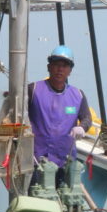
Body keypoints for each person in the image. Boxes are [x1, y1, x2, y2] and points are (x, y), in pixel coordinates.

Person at [28, 45, 92, 189]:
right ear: (49, 67)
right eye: (56, 64)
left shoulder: (78, 95)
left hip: (65, 160)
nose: (60, 69)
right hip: (36, 161)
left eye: (64, 66)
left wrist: (82, 127)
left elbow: (87, 119)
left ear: (70, 71)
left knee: (64, 195)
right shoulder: (33, 90)